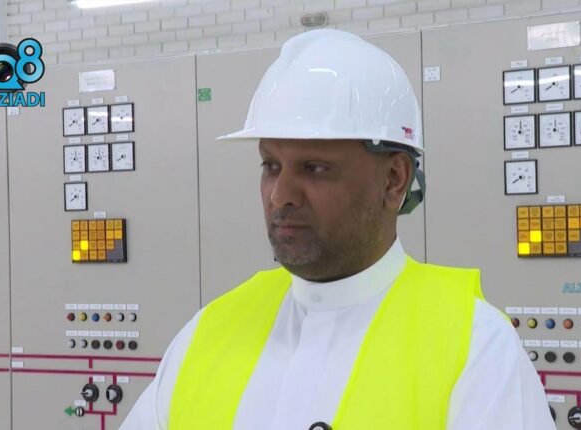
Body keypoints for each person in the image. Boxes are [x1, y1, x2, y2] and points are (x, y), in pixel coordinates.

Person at [120, 28, 555, 430]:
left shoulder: (477, 349)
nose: (280, 196)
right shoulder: (208, 333)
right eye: (270, 165)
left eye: (314, 168)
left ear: (394, 180)